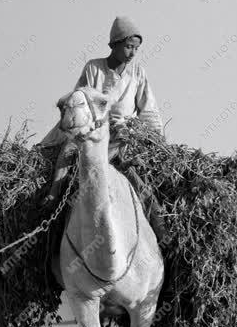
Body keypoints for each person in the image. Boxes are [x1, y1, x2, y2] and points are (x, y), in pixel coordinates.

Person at [42, 15, 164, 205]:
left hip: (124, 133)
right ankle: (54, 193)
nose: (133, 53)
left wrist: (154, 137)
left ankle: (157, 221)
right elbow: (80, 99)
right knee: (68, 150)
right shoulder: (93, 68)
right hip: (94, 129)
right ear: (114, 45)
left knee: (137, 175)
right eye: (128, 47)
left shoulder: (138, 72)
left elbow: (148, 109)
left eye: (136, 48)